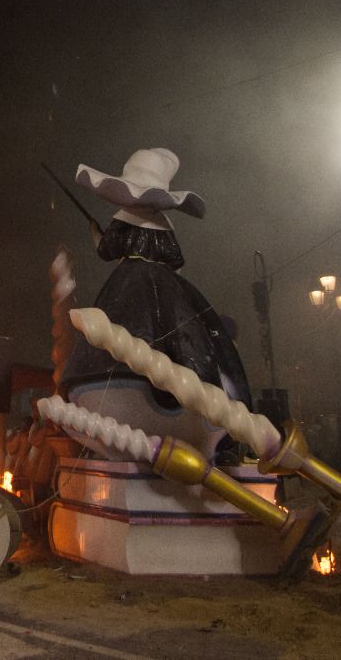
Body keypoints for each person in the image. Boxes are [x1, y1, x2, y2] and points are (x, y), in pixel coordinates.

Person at [59, 148, 254, 460]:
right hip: (164, 285)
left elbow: (112, 247)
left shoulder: (126, 223)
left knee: (124, 341)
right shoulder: (163, 227)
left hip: (130, 285)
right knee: (178, 341)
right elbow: (172, 256)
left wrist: (99, 237)